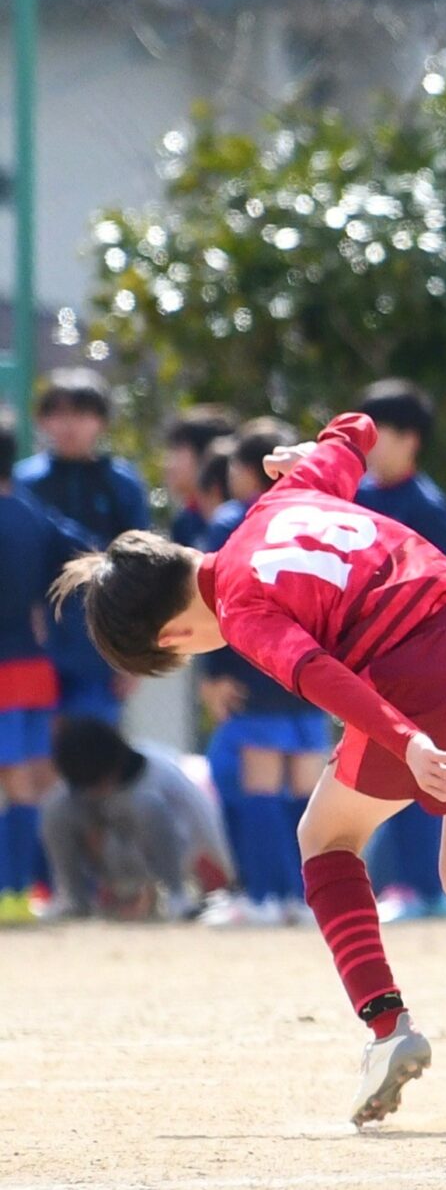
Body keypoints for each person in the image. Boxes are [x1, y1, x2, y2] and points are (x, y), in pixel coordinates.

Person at [50, 413, 446, 1129]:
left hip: (425, 674)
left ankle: (387, 1028)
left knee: (324, 838)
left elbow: (319, 674)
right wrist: (308, 450)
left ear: (173, 635)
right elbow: (356, 430)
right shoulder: (283, 497)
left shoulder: (240, 604)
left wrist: (408, 740)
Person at [353, 380, 446, 922]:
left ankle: (422, 889)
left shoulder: (426, 506)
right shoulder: (358, 498)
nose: (366, 445)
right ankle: (407, 885)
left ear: (410, 440)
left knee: (413, 767)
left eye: (377, 434)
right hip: (373, 660)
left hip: (420, 662)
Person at [196, 418, 332, 928]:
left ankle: (265, 897)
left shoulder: (232, 520)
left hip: (255, 669)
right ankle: (311, 900)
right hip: (314, 673)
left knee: (260, 790)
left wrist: (212, 673)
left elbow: (215, 595)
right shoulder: (317, 516)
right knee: (308, 795)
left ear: (246, 469)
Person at [13, 367, 147, 725]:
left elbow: (142, 571)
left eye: (81, 413)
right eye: (57, 413)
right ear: (42, 420)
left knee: (93, 745)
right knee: (36, 748)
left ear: (101, 421)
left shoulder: (122, 483)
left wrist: (136, 653)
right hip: (32, 641)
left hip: (100, 641)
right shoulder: (24, 482)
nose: (69, 425)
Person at [0, 415, 95, 923]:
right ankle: (33, 890)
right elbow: (88, 550)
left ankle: (10, 893)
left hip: (3, 673)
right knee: (35, 783)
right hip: (37, 672)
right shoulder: (33, 514)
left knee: (15, 783)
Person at [40, 717, 233, 922]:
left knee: (146, 804)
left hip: (164, 856)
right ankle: (74, 900)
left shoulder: (161, 772)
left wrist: (234, 876)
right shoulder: (79, 782)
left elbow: (205, 819)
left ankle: (177, 897)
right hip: (107, 859)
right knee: (56, 804)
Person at [161, 405, 238, 549]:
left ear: (209, 455)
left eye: (178, 450)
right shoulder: (184, 522)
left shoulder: (243, 517)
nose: (168, 463)